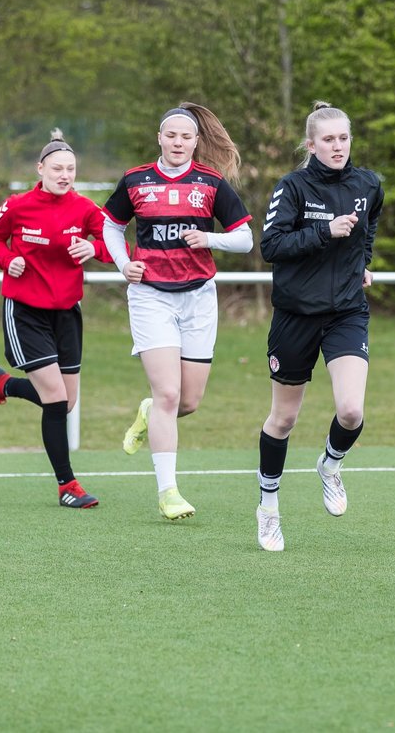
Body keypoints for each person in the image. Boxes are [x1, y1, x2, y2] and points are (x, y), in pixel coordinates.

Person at [101, 103, 253, 521]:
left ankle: (149, 411)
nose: (178, 142)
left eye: (186, 136)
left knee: (187, 402)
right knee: (169, 393)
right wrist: (122, 263)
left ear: (196, 141)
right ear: (160, 138)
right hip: (151, 295)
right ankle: (168, 492)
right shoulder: (136, 179)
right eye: (171, 135)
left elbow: (244, 239)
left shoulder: (210, 183)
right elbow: (109, 224)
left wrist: (209, 238)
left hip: (199, 297)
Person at [253, 101, 384, 552]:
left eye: (344, 138)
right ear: (311, 144)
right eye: (328, 139)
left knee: (351, 411)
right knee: (284, 418)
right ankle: (268, 509)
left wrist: (363, 263)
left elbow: (369, 228)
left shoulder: (368, 183)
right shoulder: (292, 187)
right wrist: (325, 232)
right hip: (295, 317)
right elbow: (271, 245)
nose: (337, 146)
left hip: (347, 311)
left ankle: (330, 465)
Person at [0, 130, 111, 508]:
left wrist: (95, 247)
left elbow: (116, 246)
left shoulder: (86, 208)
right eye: (57, 168)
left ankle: (2, 385)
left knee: (65, 402)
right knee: (54, 397)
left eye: (71, 168)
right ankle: (67, 486)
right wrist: (9, 261)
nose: (65, 174)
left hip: (67, 312)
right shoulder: (18, 205)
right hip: (25, 311)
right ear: (41, 169)